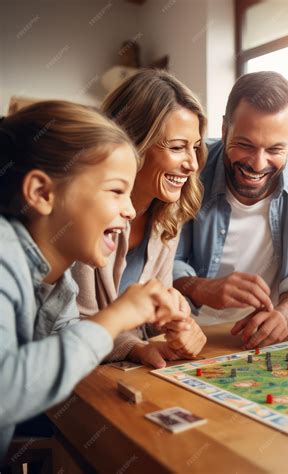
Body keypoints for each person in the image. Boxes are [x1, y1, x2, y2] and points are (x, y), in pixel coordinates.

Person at [0, 101, 187, 460]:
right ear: (42, 193)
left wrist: (138, 344)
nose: (131, 210)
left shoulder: (61, 282)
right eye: (117, 191)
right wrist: (116, 315)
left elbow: (66, 353)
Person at [173, 71, 288, 349]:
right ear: (225, 130)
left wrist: (284, 315)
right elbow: (164, 263)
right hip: (186, 329)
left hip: (265, 339)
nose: (258, 164)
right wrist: (201, 289)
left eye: (275, 149)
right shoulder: (191, 167)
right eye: (245, 145)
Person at [72, 70, 208, 368]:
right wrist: (133, 347)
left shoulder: (167, 215)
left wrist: (175, 323)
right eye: (176, 147)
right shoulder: (84, 213)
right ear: (132, 143)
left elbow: (147, 318)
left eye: (195, 147)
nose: (193, 164)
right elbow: (70, 328)